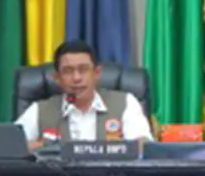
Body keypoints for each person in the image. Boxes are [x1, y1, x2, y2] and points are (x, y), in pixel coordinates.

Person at [17, 39, 154, 149]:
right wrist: (40, 147)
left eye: (83, 70)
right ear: (57, 78)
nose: (76, 78)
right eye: (68, 71)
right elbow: (13, 147)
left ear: (96, 73)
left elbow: (143, 146)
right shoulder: (40, 110)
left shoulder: (125, 103)